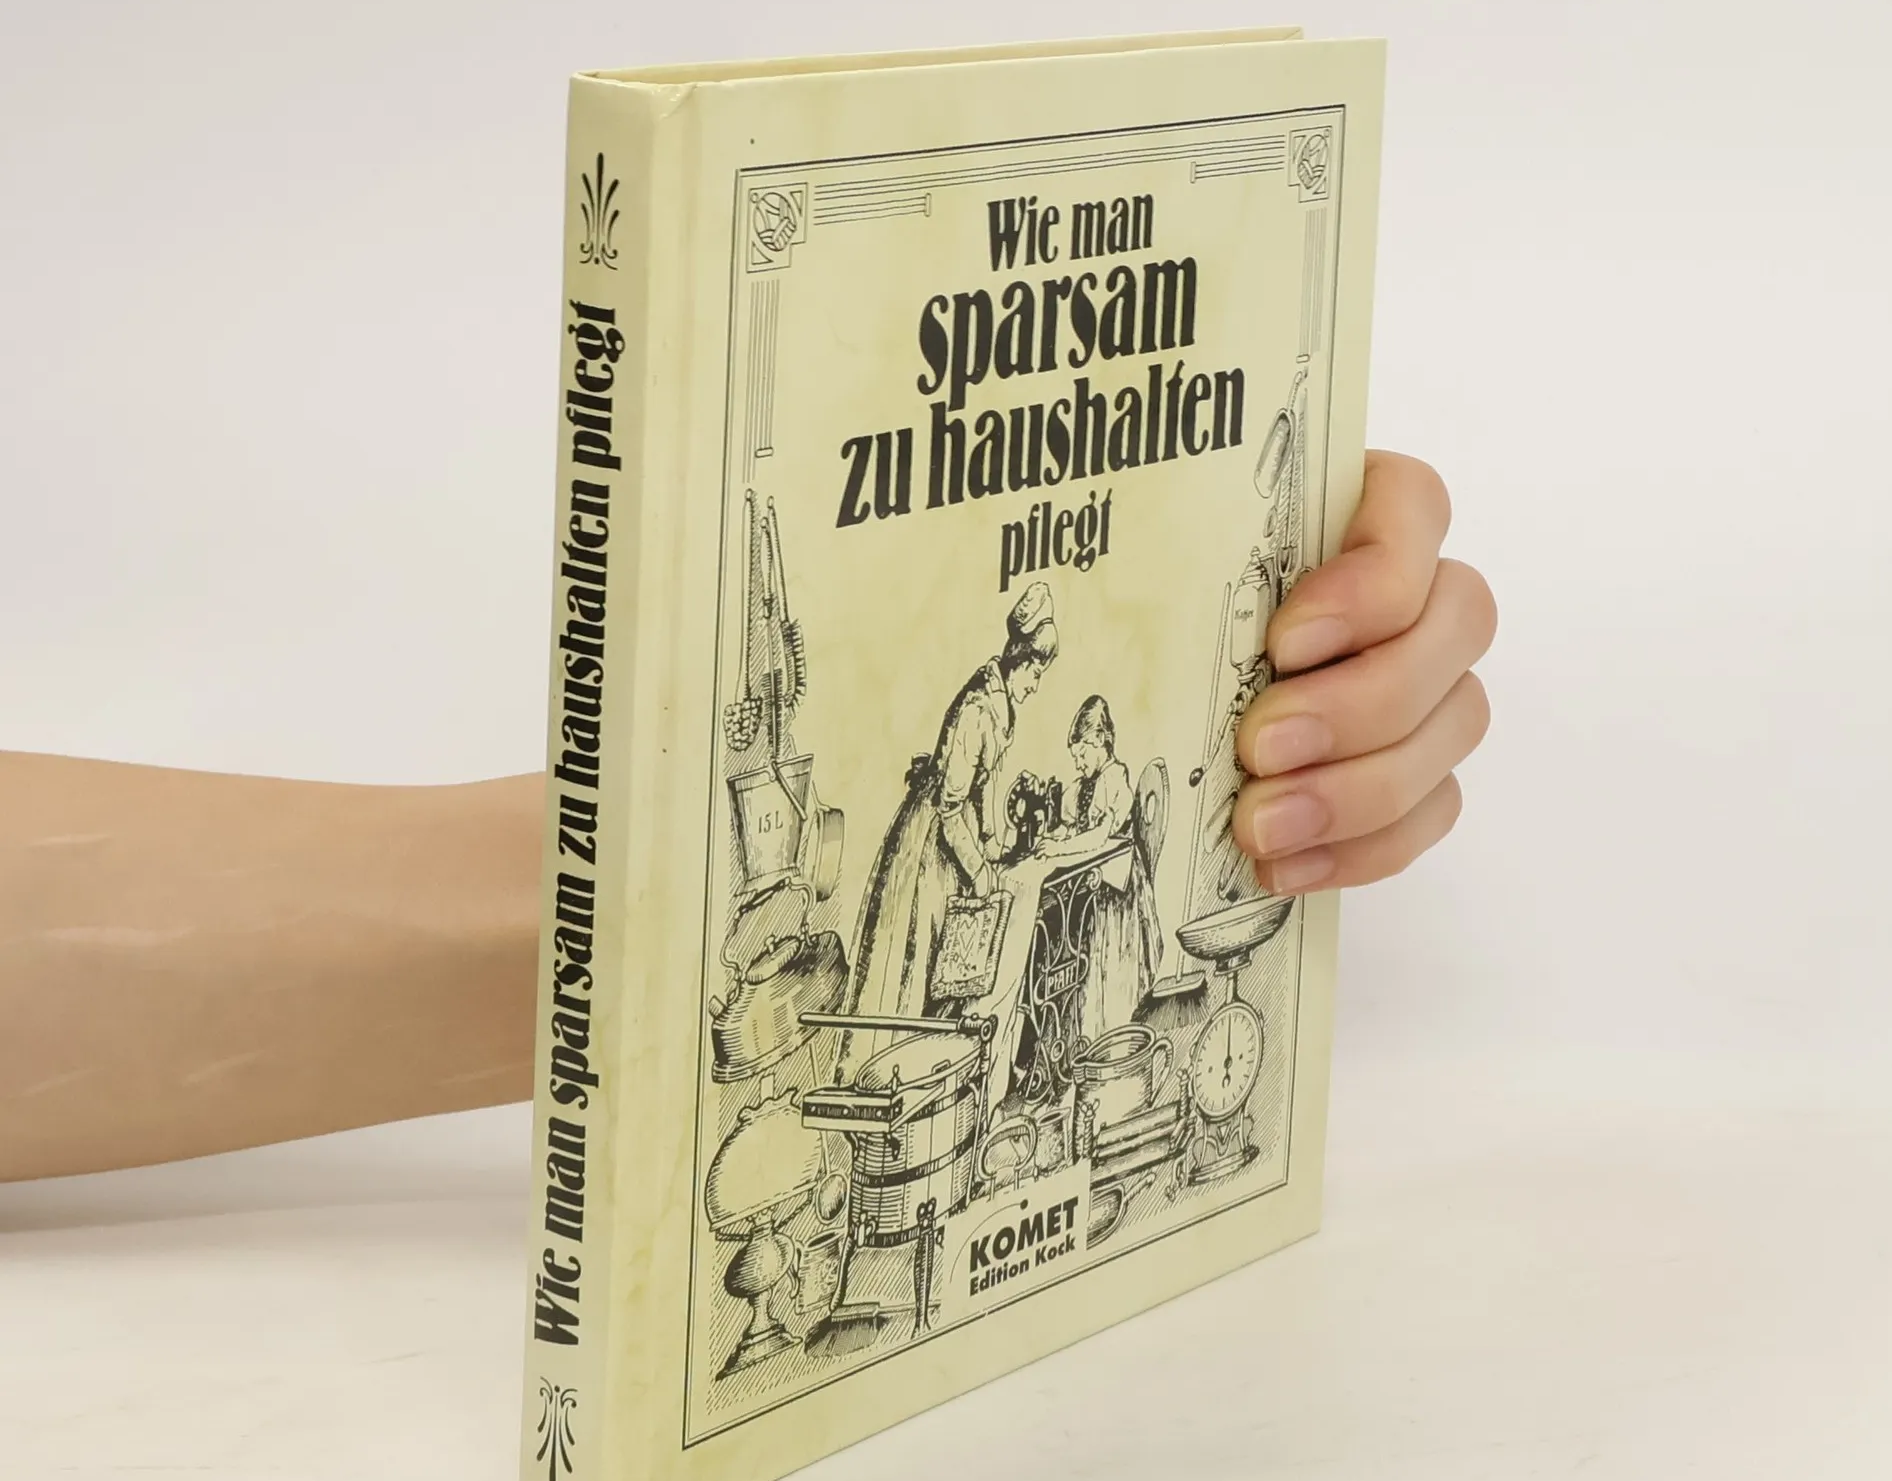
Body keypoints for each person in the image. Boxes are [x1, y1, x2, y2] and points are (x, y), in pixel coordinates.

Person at [0, 452, 1494, 1182]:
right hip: (930, 869)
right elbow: (960, 816)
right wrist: (1001, 855)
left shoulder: (1009, 711)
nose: (1049, 681)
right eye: (1050, 664)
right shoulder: (984, 705)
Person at [841, 580, 1058, 1023]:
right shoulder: (978, 709)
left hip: (954, 842)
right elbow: (951, 807)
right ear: (1020, 662)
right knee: (916, 960)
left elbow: (984, 790)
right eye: (1036, 674)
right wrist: (978, 870)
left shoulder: (999, 707)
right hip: (930, 848)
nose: (1036, 687)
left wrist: (993, 846)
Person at [1047, 694, 1163, 1046]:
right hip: (1095, 886)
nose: (1077, 762)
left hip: (1119, 892)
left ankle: (1109, 1036)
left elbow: (1099, 837)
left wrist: (1059, 848)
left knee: (1108, 963)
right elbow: (1070, 825)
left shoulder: (1115, 779)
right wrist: (1056, 837)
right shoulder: (1081, 787)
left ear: (1099, 741)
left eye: (1081, 753)